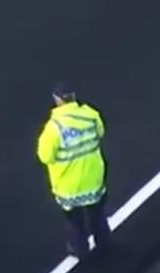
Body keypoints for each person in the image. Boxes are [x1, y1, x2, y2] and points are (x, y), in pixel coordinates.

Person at [37, 82, 111, 260]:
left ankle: (81, 249)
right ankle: (104, 245)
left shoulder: (53, 129)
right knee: (98, 217)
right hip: (93, 180)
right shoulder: (91, 116)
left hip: (68, 186)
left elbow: (44, 156)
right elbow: (101, 132)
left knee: (75, 222)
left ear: (58, 100)